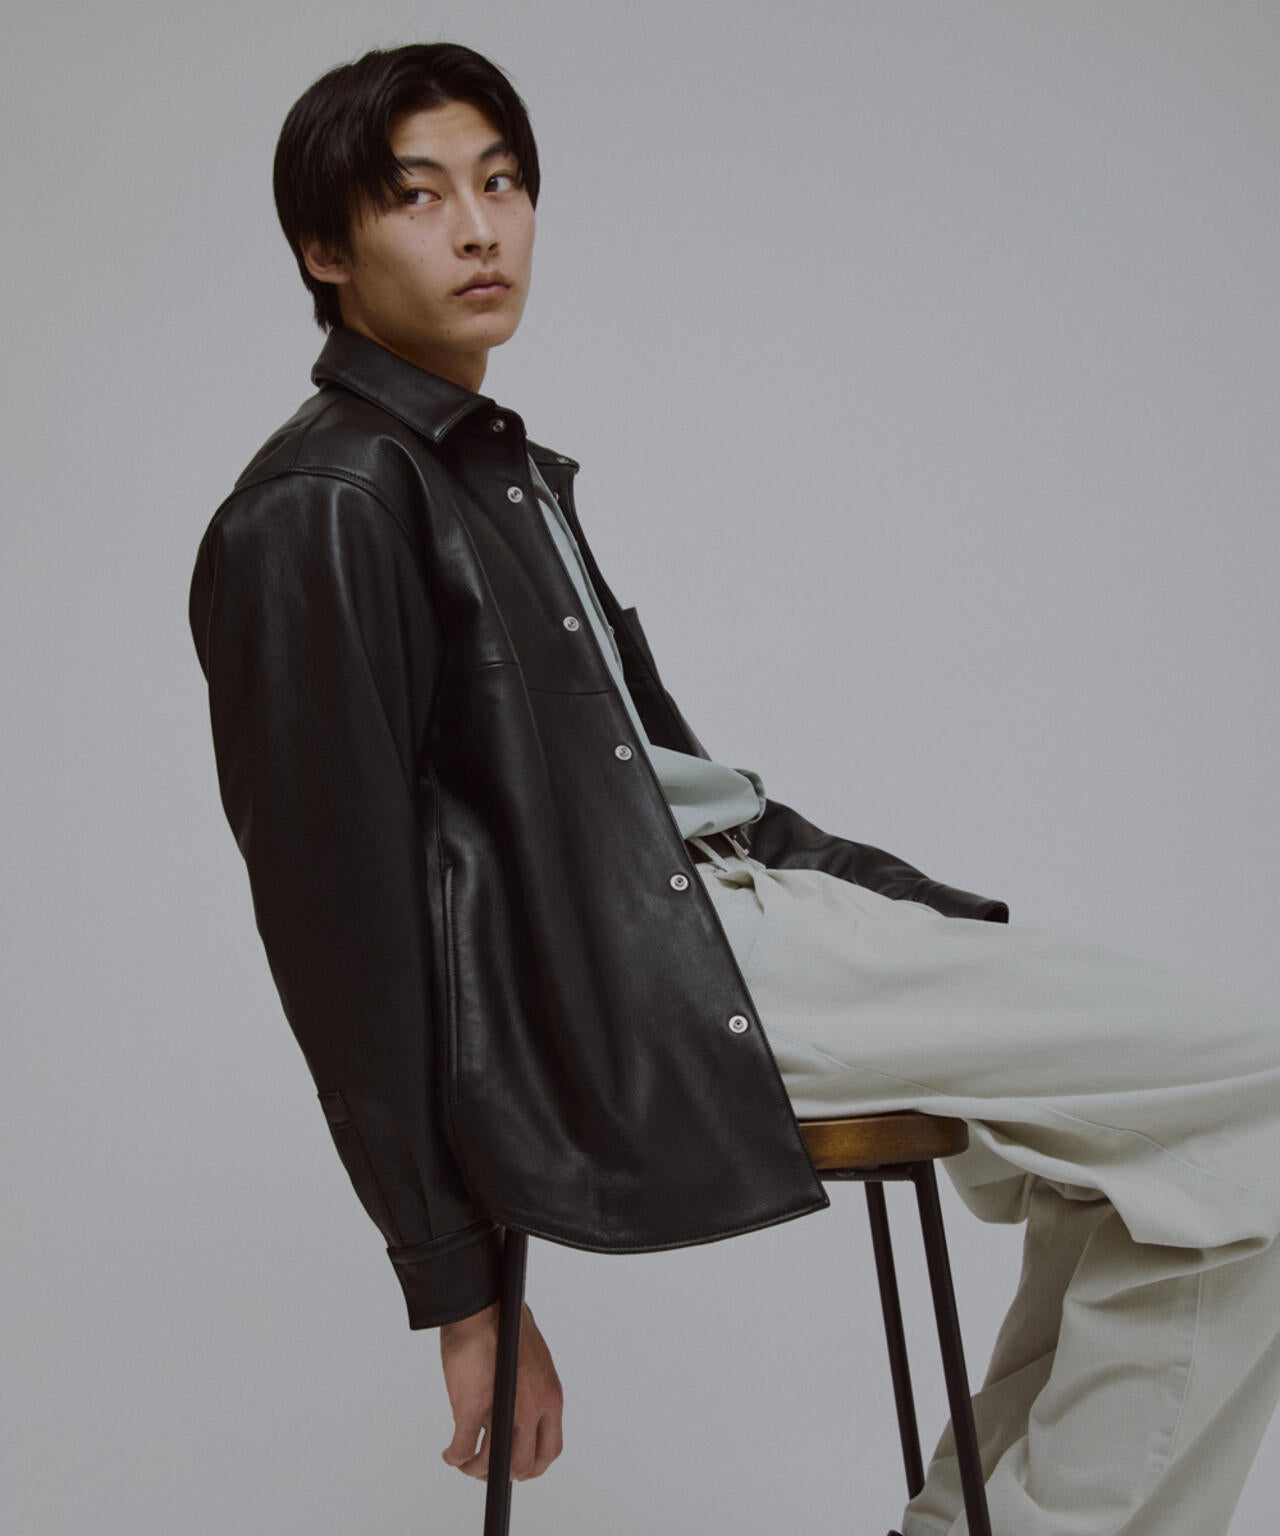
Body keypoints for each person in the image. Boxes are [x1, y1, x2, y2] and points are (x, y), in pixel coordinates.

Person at [188, 41, 1280, 1535]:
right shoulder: (321, 505)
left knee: (1207, 1158)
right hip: (663, 977)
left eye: (502, 183)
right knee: (1255, 1099)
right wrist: (460, 1285)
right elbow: (338, 930)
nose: (480, 229)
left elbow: (670, 789)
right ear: (326, 249)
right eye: (419, 196)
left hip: (726, 925)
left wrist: (917, 912)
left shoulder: (489, 471)